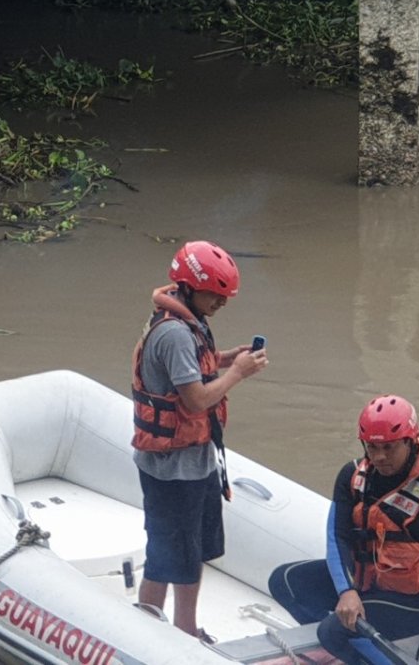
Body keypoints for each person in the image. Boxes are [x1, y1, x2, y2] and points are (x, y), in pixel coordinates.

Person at [268, 395, 419, 664]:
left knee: (332, 631)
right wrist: (346, 592)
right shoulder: (351, 477)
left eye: (389, 447)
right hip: (368, 587)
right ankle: (361, 651)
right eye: (372, 447)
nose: (379, 457)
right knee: (284, 581)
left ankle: (371, 653)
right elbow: (337, 537)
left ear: (410, 442)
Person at [131, 240, 268, 640]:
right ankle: (183, 630)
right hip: (174, 467)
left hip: (190, 459)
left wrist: (224, 359)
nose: (221, 303)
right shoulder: (174, 332)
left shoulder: (186, 321)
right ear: (189, 286)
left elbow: (191, 369)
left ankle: (151, 618)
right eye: (216, 295)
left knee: (176, 551)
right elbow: (195, 400)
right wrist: (238, 373)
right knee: (180, 555)